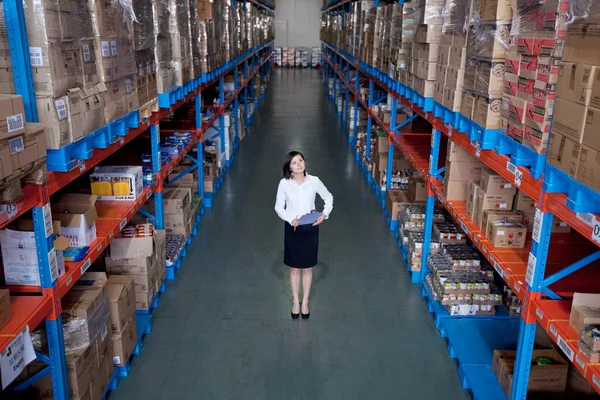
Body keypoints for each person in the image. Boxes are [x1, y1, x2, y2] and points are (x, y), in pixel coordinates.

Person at [274, 151, 333, 320]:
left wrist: (324, 214)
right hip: (293, 228)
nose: (299, 164)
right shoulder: (284, 184)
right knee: (294, 268)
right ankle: (295, 301)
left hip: (310, 227)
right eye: (294, 162)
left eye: (300, 160)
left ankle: (305, 301)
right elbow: (279, 207)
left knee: (307, 268)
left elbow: (328, 197)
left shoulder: (314, 181)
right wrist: (289, 218)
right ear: (289, 167)